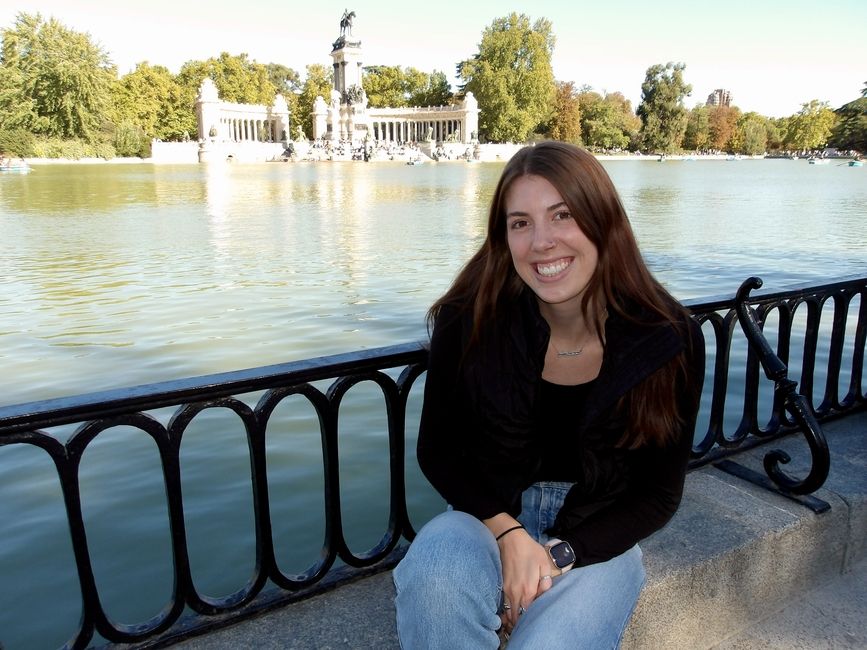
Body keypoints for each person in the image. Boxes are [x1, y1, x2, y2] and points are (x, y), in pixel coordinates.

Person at [393, 141, 705, 649]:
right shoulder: (468, 321)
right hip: (482, 518)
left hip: (600, 536)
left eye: (562, 215)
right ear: (504, 237)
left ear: (603, 220)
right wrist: (509, 534)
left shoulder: (668, 337)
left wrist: (557, 557)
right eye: (520, 222)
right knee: (435, 586)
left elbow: (658, 494)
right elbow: (439, 451)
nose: (542, 242)